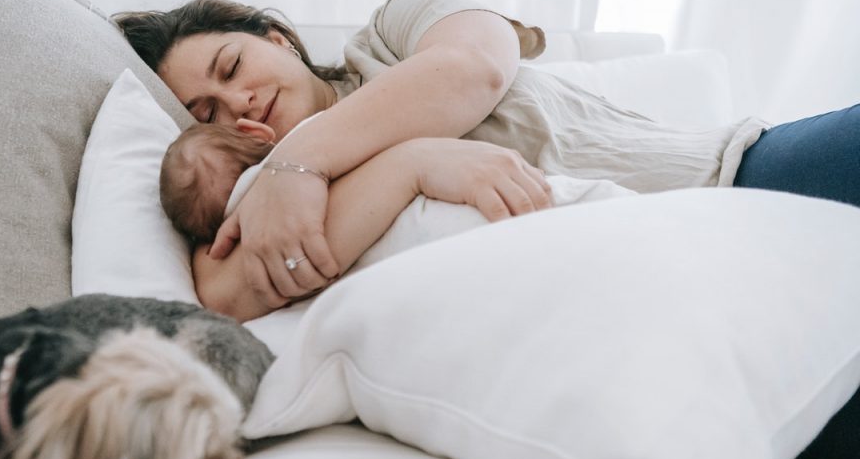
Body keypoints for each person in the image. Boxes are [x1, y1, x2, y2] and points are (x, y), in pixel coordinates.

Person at [117, 0, 859, 459]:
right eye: (205, 113)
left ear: (276, 37)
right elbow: (222, 295)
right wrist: (403, 163)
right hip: (679, 310)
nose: (237, 103)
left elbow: (475, 68)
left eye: (230, 65)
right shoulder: (259, 194)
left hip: (742, 175)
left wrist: (300, 162)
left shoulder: (392, 30)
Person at [159, 119, 634, 314]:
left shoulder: (324, 140)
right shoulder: (309, 144)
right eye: (205, 110)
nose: (237, 101)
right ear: (255, 134)